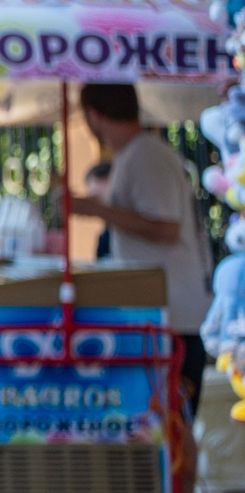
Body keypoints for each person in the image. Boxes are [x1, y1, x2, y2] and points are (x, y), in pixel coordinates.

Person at [75, 82, 213, 410]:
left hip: (173, 318)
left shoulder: (147, 154)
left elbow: (166, 228)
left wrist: (99, 210)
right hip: (163, 316)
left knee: (173, 428)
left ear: (94, 115)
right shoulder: (134, 155)